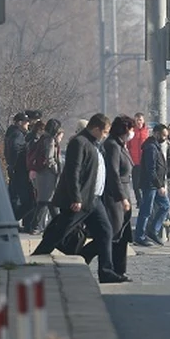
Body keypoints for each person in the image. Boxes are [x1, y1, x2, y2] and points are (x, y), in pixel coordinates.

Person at [33, 114, 127, 284]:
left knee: (106, 232)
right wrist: (76, 197)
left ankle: (106, 272)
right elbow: (73, 171)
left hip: (94, 199)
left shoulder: (95, 144)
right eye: (104, 131)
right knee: (60, 231)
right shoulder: (79, 142)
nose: (105, 135)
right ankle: (36, 257)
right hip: (80, 199)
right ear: (96, 128)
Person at [88, 116, 135, 280]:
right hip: (114, 196)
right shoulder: (112, 146)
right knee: (111, 234)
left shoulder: (122, 146)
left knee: (122, 235)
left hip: (124, 191)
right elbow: (113, 173)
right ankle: (84, 257)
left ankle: (119, 270)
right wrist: (121, 197)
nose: (133, 133)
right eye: (131, 129)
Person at [134, 124, 170, 247]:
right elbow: (151, 169)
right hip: (150, 185)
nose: (165, 138)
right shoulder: (151, 147)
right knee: (146, 210)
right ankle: (139, 235)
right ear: (156, 133)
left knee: (165, 206)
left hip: (156, 184)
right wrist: (159, 185)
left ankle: (153, 230)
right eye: (163, 135)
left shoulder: (155, 146)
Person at [31, 119, 63, 234]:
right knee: (45, 201)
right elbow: (50, 159)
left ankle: (58, 223)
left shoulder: (43, 138)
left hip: (42, 174)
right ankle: (37, 225)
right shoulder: (50, 140)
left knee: (49, 200)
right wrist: (56, 170)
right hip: (47, 174)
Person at [127, 112, 149, 208]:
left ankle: (144, 200)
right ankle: (139, 200)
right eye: (137, 120)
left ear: (143, 121)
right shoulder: (131, 132)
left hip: (144, 161)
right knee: (136, 184)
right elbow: (128, 145)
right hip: (134, 161)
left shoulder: (147, 131)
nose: (138, 122)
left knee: (144, 183)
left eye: (140, 120)